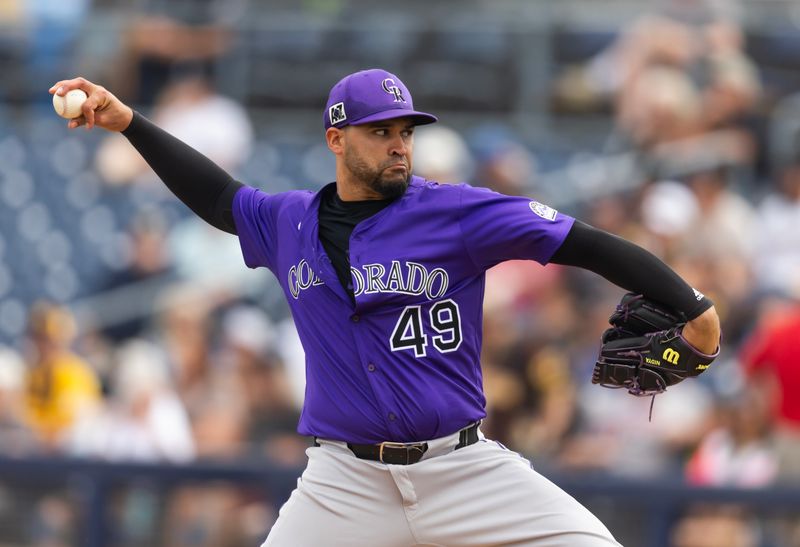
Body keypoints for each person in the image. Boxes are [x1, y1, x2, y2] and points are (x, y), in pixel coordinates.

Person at [49, 69, 721, 546]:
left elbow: (583, 242)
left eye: (405, 130)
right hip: (344, 481)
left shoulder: (456, 211)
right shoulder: (288, 222)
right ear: (337, 140)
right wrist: (127, 122)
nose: (400, 143)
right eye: (380, 131)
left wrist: (689, 303)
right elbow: (220, 198)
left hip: (463, 467)